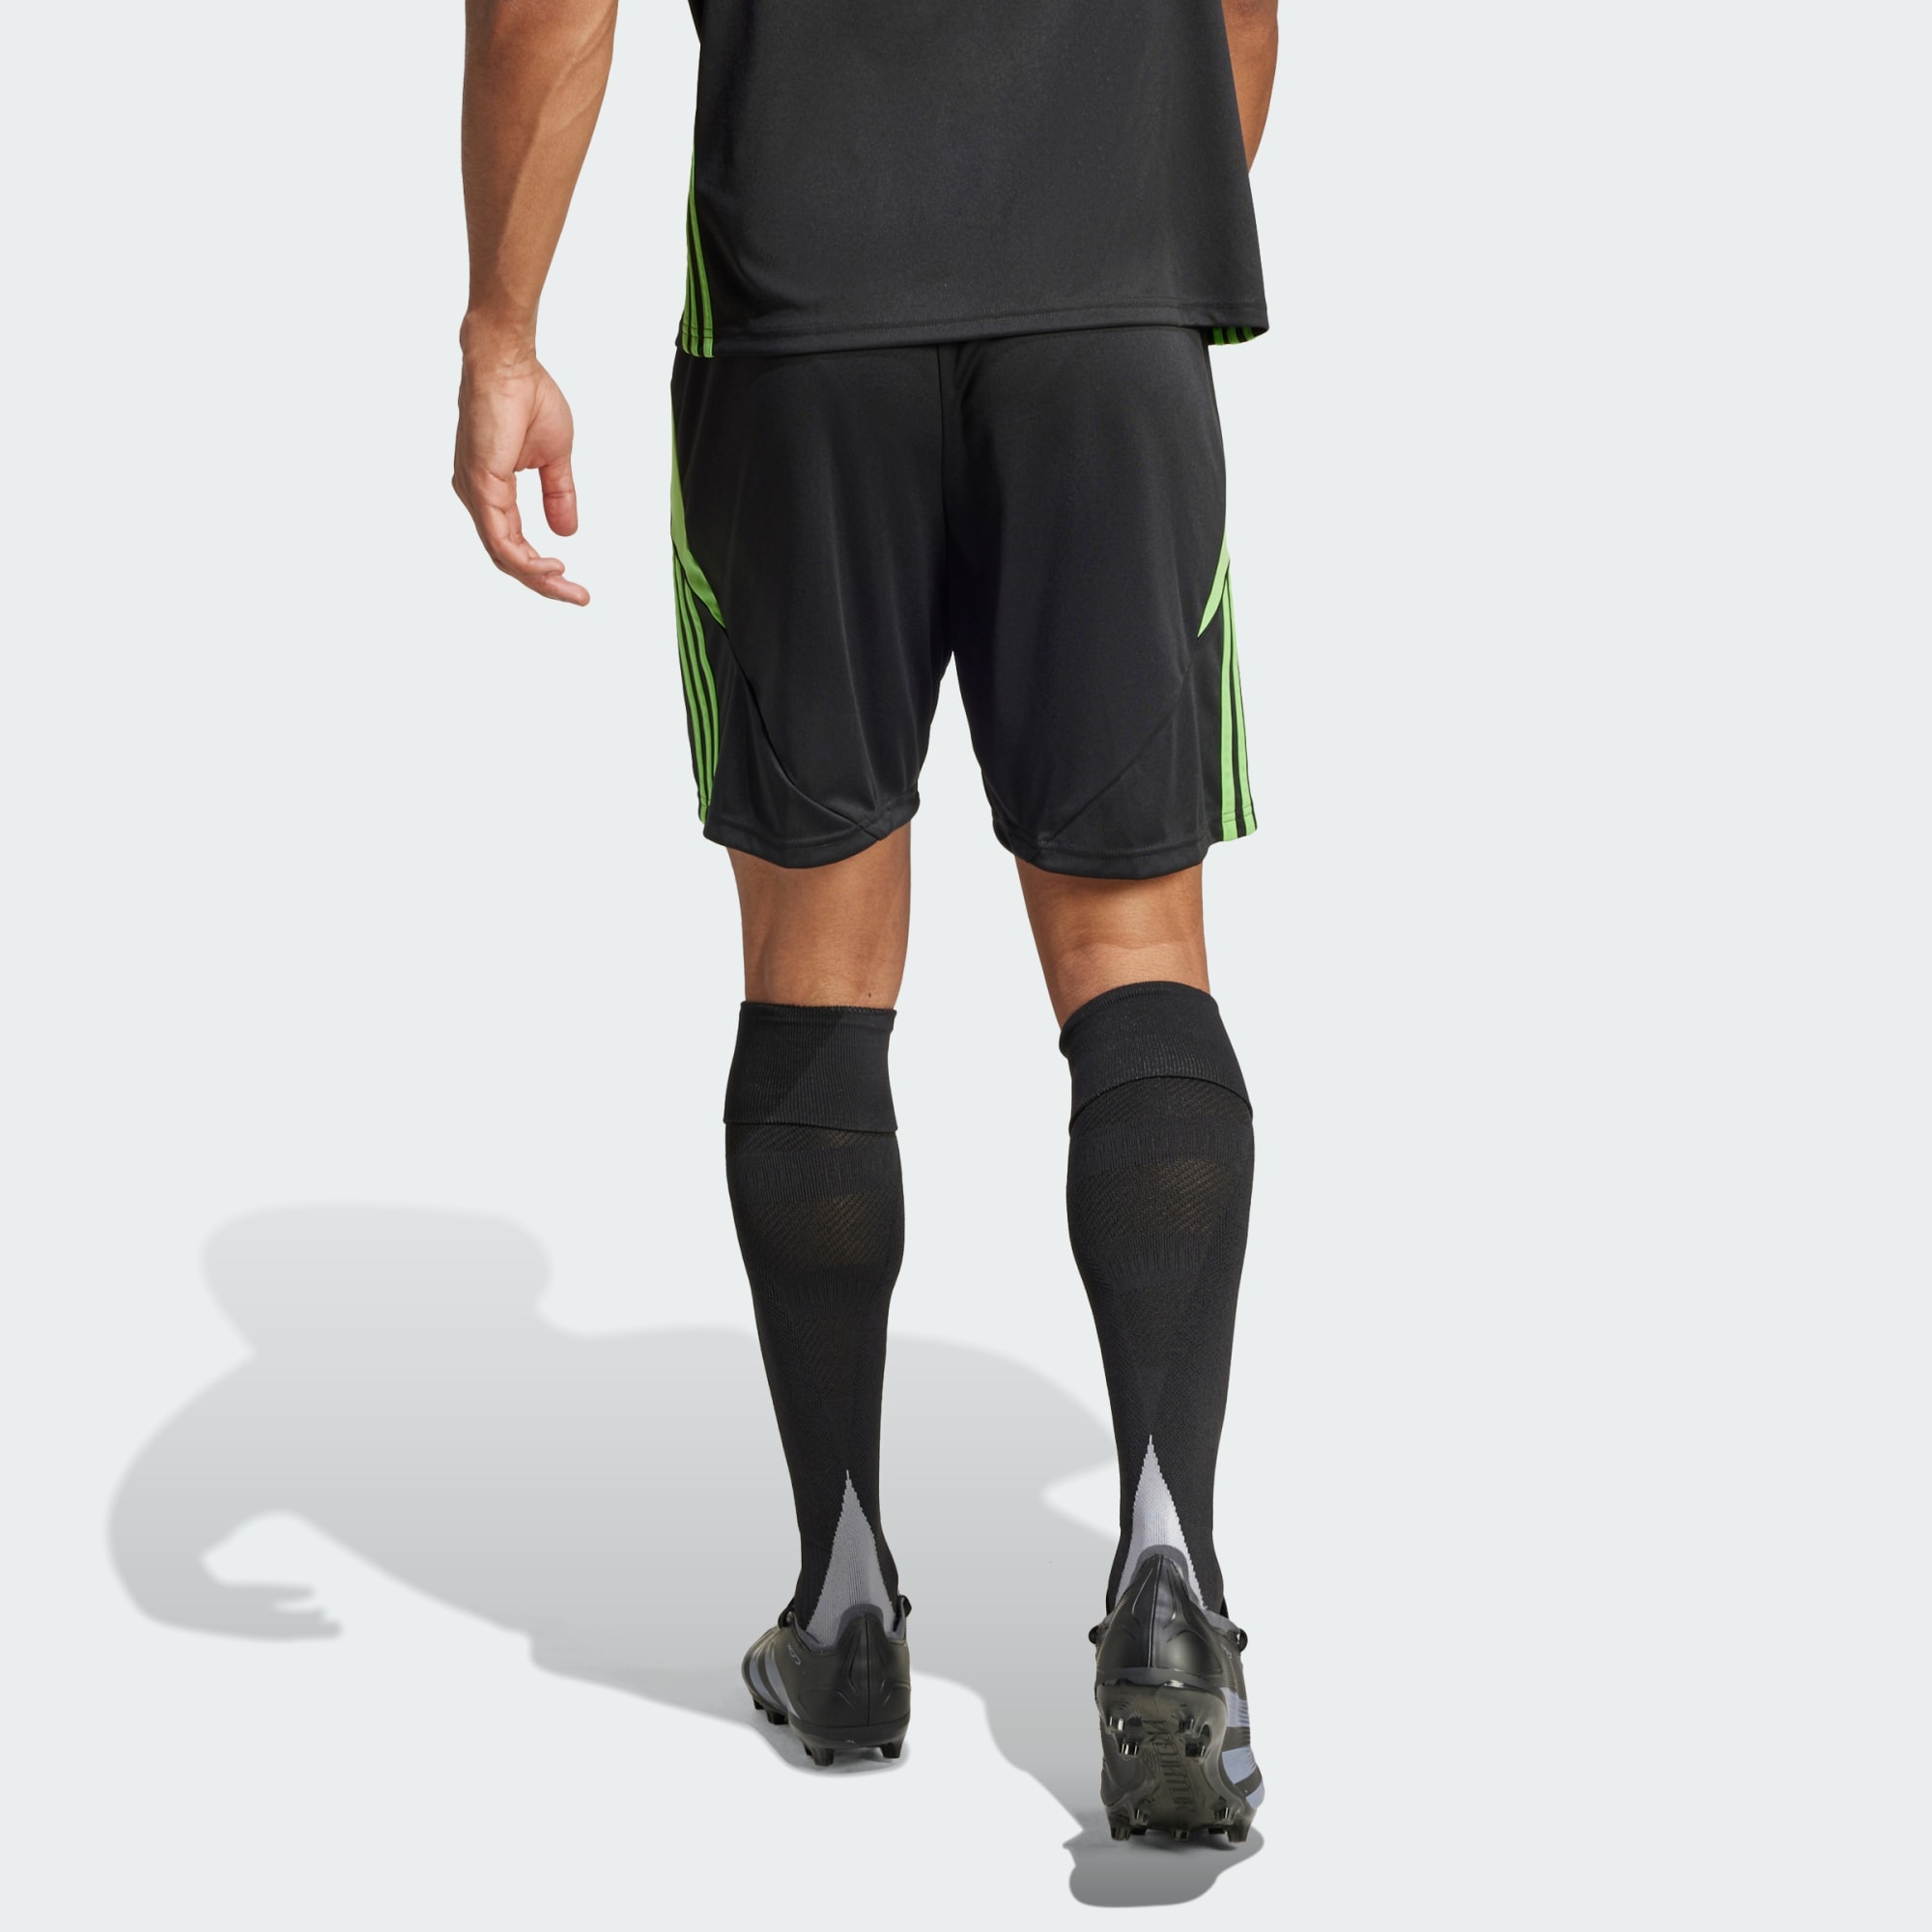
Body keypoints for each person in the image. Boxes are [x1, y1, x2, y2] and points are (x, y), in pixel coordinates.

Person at [453, 0, 1275, 1845]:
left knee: (816, 959)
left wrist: (502, 328)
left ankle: (840, 1612)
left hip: (804, 314)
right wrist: (1111, 244)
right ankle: (1170, 1584)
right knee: (1134, 944)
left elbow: (546, 11)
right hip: (1108, 315)